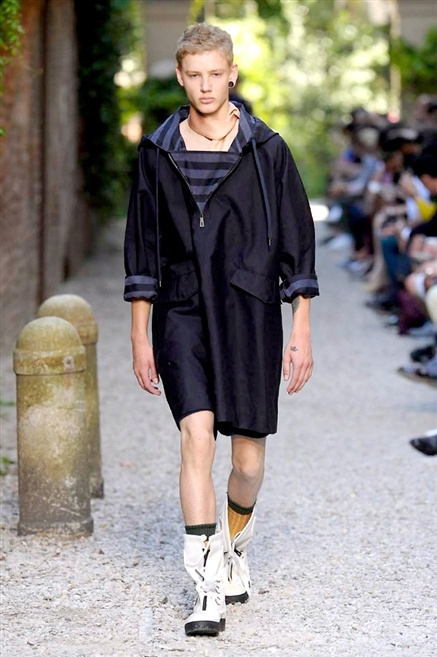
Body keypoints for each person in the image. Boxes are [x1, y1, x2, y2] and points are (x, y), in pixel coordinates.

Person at [123, 23, 319, 637]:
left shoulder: (267, 149)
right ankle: (206, 586)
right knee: (197, 437)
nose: (206, 85)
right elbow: (143, 246)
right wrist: (139, 335)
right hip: (181, 310)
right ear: (181, 79)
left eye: (216, 73)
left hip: (248, 309)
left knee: (249, 462)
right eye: (194, 75)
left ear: (231, 74)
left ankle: (234, 545)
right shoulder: (157, 152)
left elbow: (297, 241)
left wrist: (301, 326)